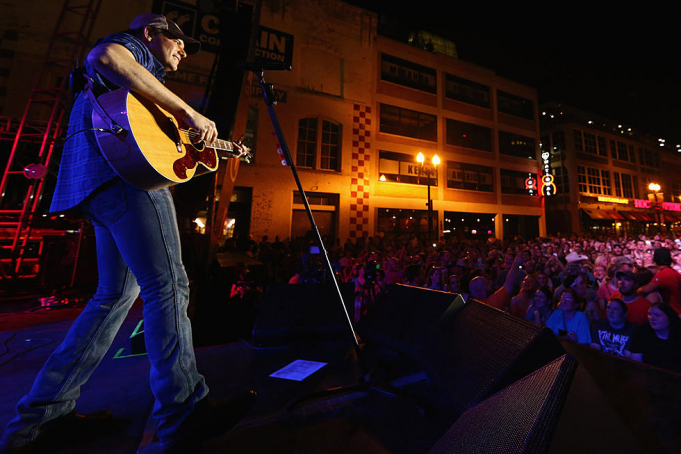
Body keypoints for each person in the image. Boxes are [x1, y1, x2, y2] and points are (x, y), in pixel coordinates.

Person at [0, 14, 255, 453]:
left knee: (113, 298)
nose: (183, 50)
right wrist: (188, 110)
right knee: (169, 285)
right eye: (177, 41)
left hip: (98, 181)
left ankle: (38, 421)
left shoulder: (142, 87)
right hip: (128, 179)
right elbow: (105, 55)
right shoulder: (131, 49)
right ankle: (184, 412)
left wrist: (207, 144)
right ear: (150, 34)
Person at [625, 303, 681, 373]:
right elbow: (636, 361)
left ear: (669, 317)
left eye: (657, 315)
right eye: (649, 314)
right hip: (647, 376)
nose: (652, 318)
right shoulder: (643, 331)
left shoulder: (678, 334)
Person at [637, 247, 681, 315]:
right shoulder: (674, 272)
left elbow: (645, 289)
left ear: (655, 260)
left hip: (674, 312)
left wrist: (634, 291)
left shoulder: (663, 274)